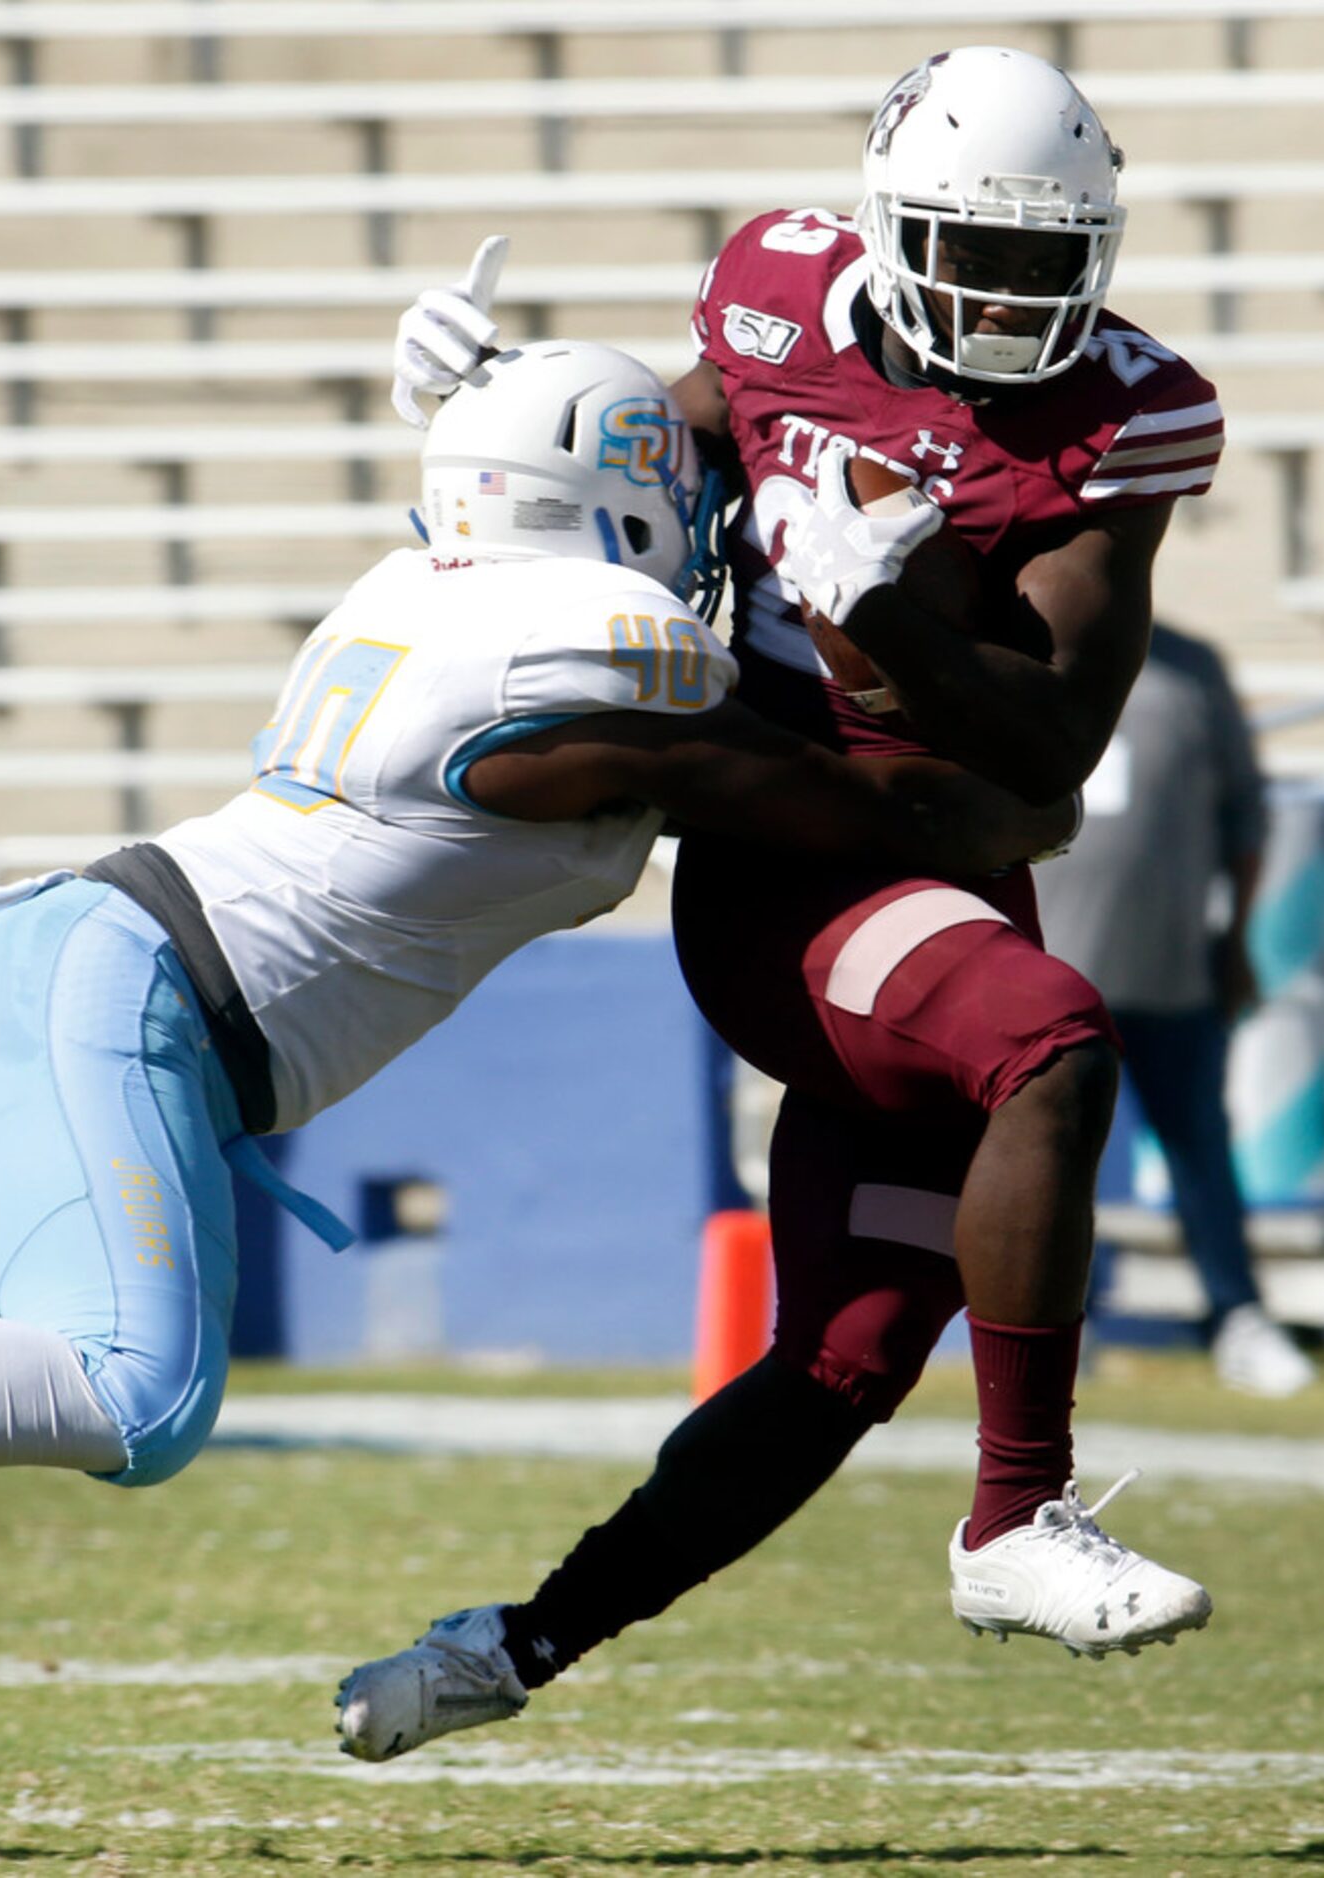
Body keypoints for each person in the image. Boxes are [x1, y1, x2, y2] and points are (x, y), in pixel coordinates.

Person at [0, 340, 1071, 1859]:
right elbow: (873, 817)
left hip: (68, 973)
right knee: (131, 1391)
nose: (692, 527)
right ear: (604, 514)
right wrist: (894, 648)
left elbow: (576, 508)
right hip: (122, 1003)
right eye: (665, 495)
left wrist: (509, 385)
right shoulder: (586, 657)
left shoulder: (442, 590)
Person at [339, 45, 1225, 1763]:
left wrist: (887, 612)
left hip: (938, 873)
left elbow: (1051, 732)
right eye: (972, 250)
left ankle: (505, 1646)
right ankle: (1016, 1517)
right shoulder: (775, 295)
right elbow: (647, 456)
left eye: (1046, 259)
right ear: (890, 229)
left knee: (843, 1355)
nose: (1005, 294)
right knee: (1045, 1038)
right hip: (792, 861)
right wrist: (493, 407)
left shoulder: (1126, 411)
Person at [1034, 623, 1313, 1396]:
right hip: (1039, 979)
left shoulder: (1191, 670)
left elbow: (1245, 817)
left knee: (1199, 1152)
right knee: (1047, 1161)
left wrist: (1235, 944)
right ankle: (1049, 1331)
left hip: (1172, 974)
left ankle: (1237, 1318)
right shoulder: (1014, 657)